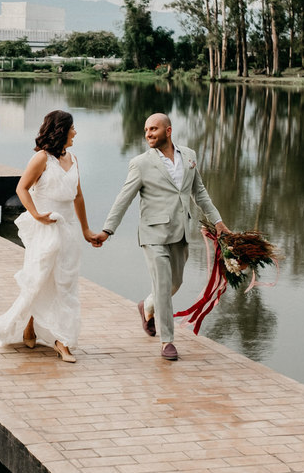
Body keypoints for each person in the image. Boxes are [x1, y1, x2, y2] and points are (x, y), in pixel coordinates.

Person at [97, 113, 229, 361]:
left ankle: (147, 306)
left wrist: (218, 221)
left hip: (181, 232)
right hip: (153, 233)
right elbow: (123, 198)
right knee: (163, 285)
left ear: (168, 131)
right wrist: (107, 230)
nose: (148, 134)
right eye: (146, 130)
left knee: (175, 284)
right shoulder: (140, 163)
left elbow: (199, 192)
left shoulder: (189, 156)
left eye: (153, 129)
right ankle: (167, 341)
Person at [0, 110, 105, 363]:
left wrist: (85, 229)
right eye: (72, 128)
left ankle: (63, 341)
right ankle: (29, 324)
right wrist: (37, 215)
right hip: (45, 228)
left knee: (65, 284)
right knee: (39, 280)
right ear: (61, 130)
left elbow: (78, 196)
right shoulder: (41, 159)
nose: (75, 132)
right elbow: (22, 188)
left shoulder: (73, 159)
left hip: (69, 229)